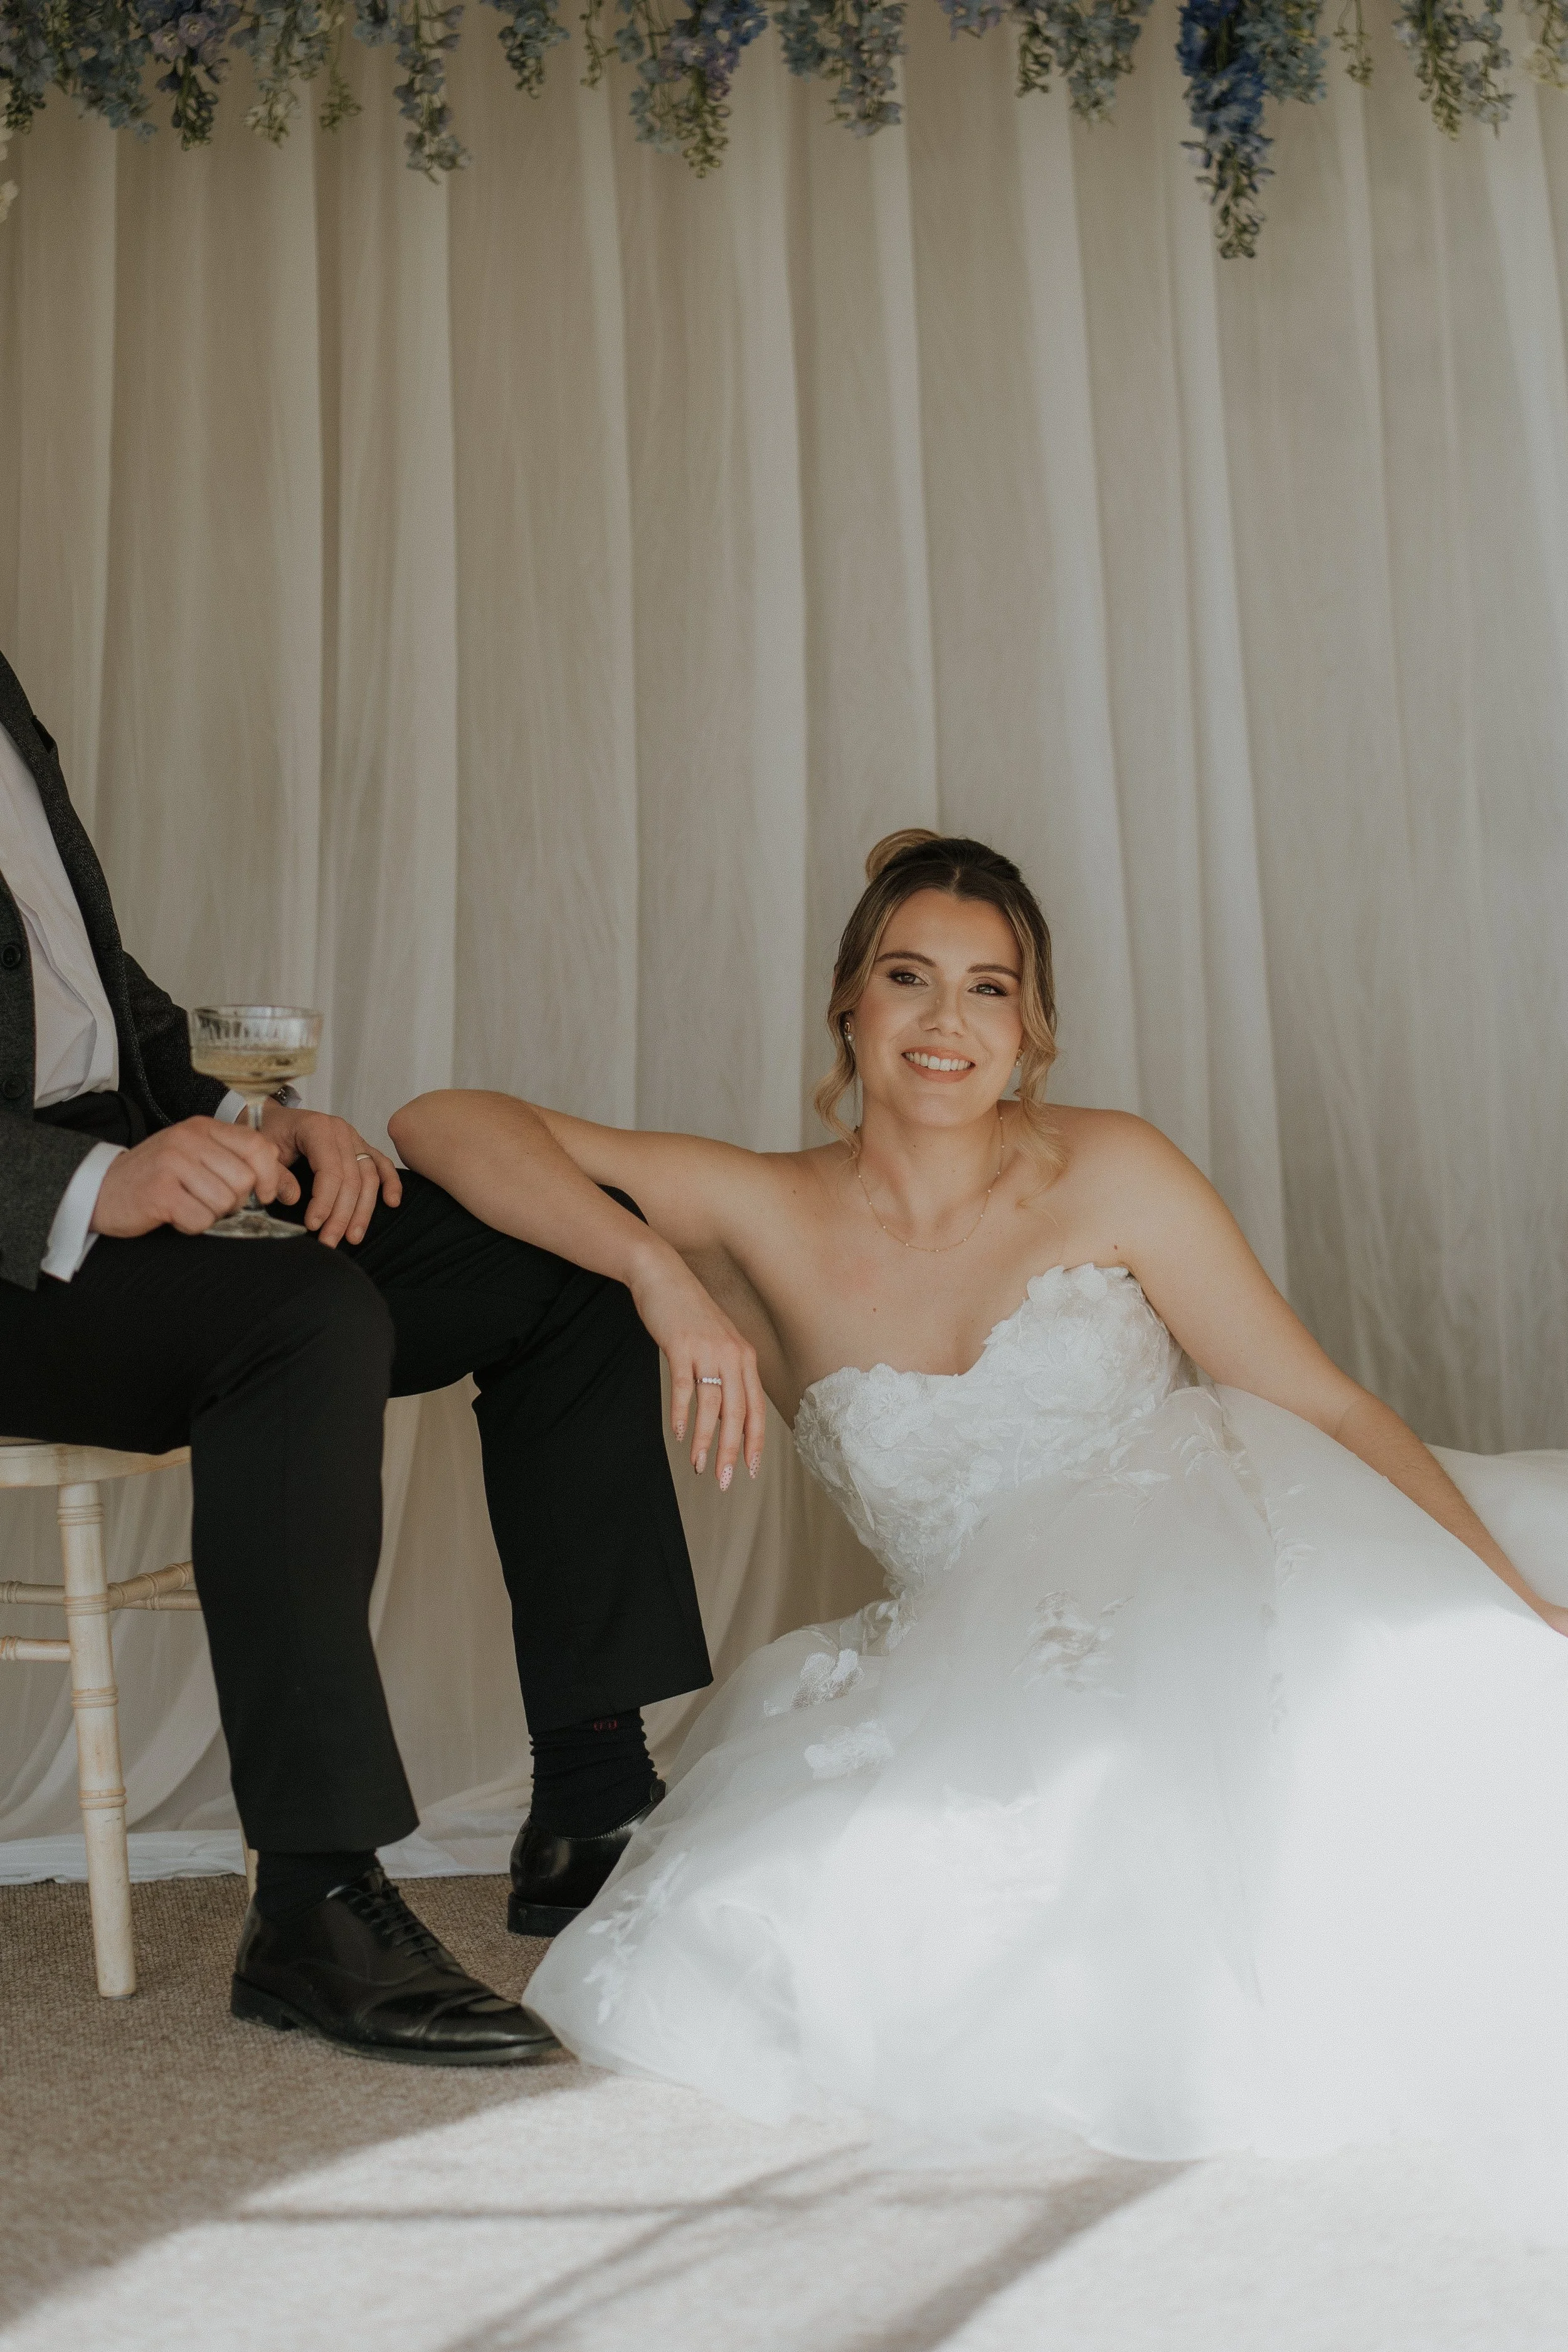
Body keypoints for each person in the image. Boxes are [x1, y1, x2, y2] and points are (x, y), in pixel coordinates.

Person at [390, 829, 1568, 2220]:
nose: (945, 1021)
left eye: (987, 988)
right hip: (979, 1660)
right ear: (850, 1006)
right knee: (857, 1915)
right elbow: (442, 1122)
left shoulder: (1112, 1169)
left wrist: (1499, 1592)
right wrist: (656, 1271)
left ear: (1032, 1029)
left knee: (1409, 1760)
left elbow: (1315, 1399)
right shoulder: (762, 1208)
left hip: (1229, 1564)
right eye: (907, 977)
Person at [0, 645, 715, 2065]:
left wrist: (255, 1119)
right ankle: (316, 1903)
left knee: (559, 1262)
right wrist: (91, 1193)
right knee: (302, 1321)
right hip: (20, 1250)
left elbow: (93, 1004)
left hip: (114, 1179)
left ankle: (590, 1798)